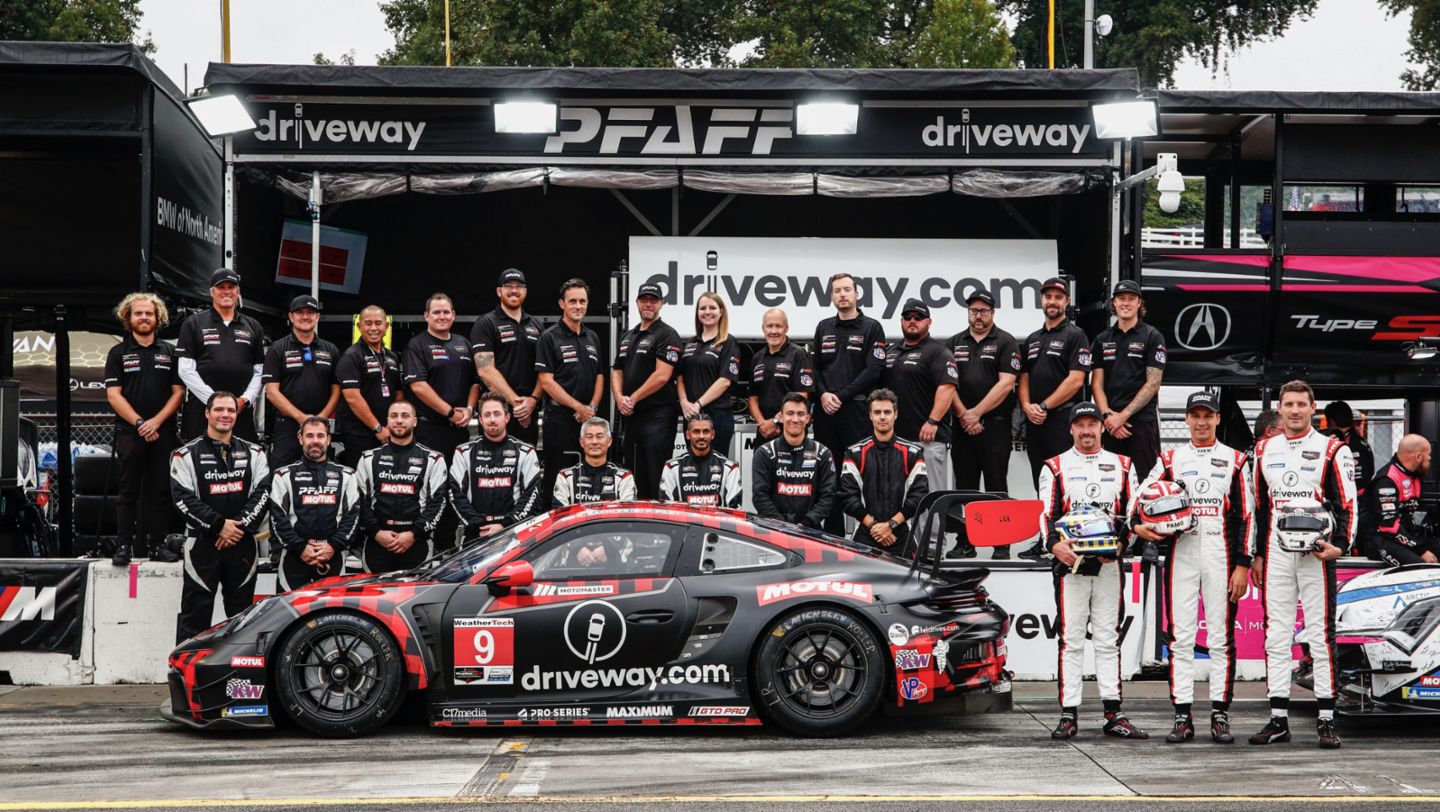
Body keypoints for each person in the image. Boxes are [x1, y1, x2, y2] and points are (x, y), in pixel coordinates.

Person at [1133, 391, 1252, 745]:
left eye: (1208, 415)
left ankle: (1220, 715)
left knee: (1220, 638)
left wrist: (1243, 564)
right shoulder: (1169, 457)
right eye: (1195, 415)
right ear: (1186, 419)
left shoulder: (1235, 459)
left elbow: (1248, 516)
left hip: (1221, 551)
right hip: (1182, 550)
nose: (1202, 421)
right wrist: (1138, 526)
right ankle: (1182, 715)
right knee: (1181, 638)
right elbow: (1139, 498)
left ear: (1218, 419)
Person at [1249, 379, 1356, 749]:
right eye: (1288, 404)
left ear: (1314, 409)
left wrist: (1339, 546)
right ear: (1279, 408)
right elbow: (1258, 508)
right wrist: (1257, 554)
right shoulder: (1263, 450)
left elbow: (1348, 504)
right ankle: (1278, 718)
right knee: (1276, 635)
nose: (1294, 410)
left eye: (1301, 404)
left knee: (1319, 636)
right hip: (1276, 552)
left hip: (1316, 553)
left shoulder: (1332, 449)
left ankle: (1326, 718)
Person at [1038, 401, 1146, 741]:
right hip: (1071, 566)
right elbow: (1046, 515)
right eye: (1080, 425)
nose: (1087, 430)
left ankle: (1114, 713)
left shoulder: (1124, 465)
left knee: (1108, 638)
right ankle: (1068, 714)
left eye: (1093, 424)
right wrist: (1055, 545)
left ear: (1102, 427)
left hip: (1109, 565)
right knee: (1070, 640)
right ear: (1071, 428)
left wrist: (1121, 545)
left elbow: (1133, 515)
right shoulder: (1054, 466)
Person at [170, 391, 271, 643]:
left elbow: (263, 494)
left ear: (237, 415)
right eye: (219, 410)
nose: (225, 415)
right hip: (202, 545)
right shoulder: (184, 455)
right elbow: (183, 499)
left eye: (230, 410)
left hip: (242, 544)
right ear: (207, 413)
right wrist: (219, 526)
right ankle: (186, 679)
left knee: (243, 618)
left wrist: (238, 528)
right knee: (195, 616)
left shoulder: (255, 453)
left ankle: (239, 677)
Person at [104, 292, 184, 566]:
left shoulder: (170, 352)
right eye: (138, 313)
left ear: (158, 317)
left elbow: (178, 393)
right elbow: (114, 396)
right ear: (128, 317)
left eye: (149, 313)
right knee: (128, 491)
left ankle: (158, 545)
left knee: (160, 491)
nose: (144, 317)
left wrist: (156, 422)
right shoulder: (118, 353)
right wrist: (139, 422)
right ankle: (123, 545)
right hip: (130, 432)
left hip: (163, 431)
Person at [1018, 277, 1092, 559]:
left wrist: (1045, 406)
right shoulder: (1033, 339)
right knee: (1043, 485)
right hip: (1035, 422)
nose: (1052, 301)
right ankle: (1045, 540)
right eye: (1047, 297)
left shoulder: (1076, 336)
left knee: (1067, 483)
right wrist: (1027, 406)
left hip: (1061, 420)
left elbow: (1076, 380)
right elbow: (1022, 377)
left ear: (1066, 302)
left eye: (1058, 297)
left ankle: (1072, 540)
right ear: (1042, 301)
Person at [947, 289, 1022, 558]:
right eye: (973, 310)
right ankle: (965, 542)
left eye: (983, 311)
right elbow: (947, 385)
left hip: (995, 425)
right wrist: (965, 415)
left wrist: (976, 413)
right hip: (962, 426)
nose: (978, 316)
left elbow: (1007, 384)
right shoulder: (954, 342)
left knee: (995, 486)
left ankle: (1001, 543)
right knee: (964, 487)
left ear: (992, 313)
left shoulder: (1006, 342)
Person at [813, 273, 888, 534]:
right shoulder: (823, 327)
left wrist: (841, 395)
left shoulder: (871, 327)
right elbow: (816, 369)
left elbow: (874, 370)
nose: (842, 295)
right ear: (831, 297)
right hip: (826, 412)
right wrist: (823, 394)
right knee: (829, 476)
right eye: (837, 291)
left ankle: (868, 535)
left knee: (862, 475)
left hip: (856, 410)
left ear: (857, 294)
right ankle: (833, 536)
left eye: (847, 290)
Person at [267, 416, 360, 591]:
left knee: (333, 614)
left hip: (333, 556)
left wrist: (332, 546)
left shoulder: (347, 475)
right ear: (300, 438)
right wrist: (301, 548)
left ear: (328, 439)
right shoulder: (283, 475)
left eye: (320, 436)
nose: (315, 441)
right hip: (295, 557)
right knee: (290, 614)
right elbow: (277, 518)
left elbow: (352, 516)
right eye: (310, 436)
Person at [354, 400, 447, 573]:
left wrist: (413, 534)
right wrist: (376, 532)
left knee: (415, 599)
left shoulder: (434, 459)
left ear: (415, 421)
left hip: (417, 543)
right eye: (394, 416)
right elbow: (359, 501)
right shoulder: (368, 458)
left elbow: (438, 502)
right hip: (377, 543)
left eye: (405, 416)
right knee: (375, 600)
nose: (399, 420)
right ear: (387, 421)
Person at [536, 279, 605, 508]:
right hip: (559, 419)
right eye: (573, 301)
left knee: (587, 477)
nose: (578, 306)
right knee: (557, 476)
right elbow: (546, 381)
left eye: (582, 301)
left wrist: (591, 408)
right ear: (561, 304)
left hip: (588, 419)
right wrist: (578, 407)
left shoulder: (592, 337)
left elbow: (600, 377)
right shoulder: (549, 337)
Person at [175, 268, 265, 441]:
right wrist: (214, 400)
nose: (226, 291)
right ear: (211, 292)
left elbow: (260, 370)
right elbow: (185, 369)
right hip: (201, 409)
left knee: (242, 462)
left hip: (239, 410)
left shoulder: (253, 325)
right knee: (198, 462)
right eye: (220, 287)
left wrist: (245, 399)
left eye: (231, 287)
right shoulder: (193, 323)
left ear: (238, 291)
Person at [611, 282, 683, 499]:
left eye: (653, 300)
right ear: (637, 303)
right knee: (634, 474)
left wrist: (631, 398)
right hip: (632, 416)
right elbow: (617, 370)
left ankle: (660, 523)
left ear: (661, 303)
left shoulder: (667, 335)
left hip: (658, 417)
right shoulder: (627, 336)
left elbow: (662, 375)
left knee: (656, 475)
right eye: (644, 299)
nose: (648, 304)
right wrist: (619, 398)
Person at [1090, 280, 1166, 481]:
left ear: (1139, 303)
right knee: (1112, 481)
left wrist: (1122, 417)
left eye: (1131, 299)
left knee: (1146, 481)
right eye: (1121, 299)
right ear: (1113, 303)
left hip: (1141, 422)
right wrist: (1108, 416)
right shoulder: (1101, 339)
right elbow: (1096, 383)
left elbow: (1153, 383)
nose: (1126, 303)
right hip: (1110, 424)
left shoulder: (1152, 336)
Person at [881, 298, 957, 491]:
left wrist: (933, 421)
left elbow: (947, 387)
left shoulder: (938, 351)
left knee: (929, 496)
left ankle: (934, 524)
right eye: (907, 317)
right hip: (896, 439)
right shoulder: (891, 351)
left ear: (928, 322)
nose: (912, 321)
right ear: (901, 321)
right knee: (900, 497)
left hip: (928, 439)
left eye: (919, 317)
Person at [839, 389, 928, 552]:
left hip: (902, 535)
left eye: (887, 412)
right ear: (870, 415)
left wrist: (890, 525)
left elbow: (920, 496)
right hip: (865, 535)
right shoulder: (854, 453)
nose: (882, 417)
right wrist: (875, 526)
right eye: (877, 412)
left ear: (896, 414)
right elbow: (848, 497)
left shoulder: (913, 453)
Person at [449, 392, 543, 541]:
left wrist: (506, 525)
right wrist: (478, 526)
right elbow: (455, 494)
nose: (492, 419)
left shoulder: (526, 452)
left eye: (497, 414)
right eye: (487, 415)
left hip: (514, 534)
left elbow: (532, 495)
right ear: (480, 419)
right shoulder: (463, 452)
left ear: (507, 418)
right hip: (476, 534)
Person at [262, 294, 340, 468]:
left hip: (321, 425)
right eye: (300, 312)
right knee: (281, 472)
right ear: (291, 317)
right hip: (288, 425)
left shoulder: (331, 349)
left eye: (310, 312)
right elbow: (272, 392)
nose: (305, 317)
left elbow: (337, 390)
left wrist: (321, 418)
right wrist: (301, 418)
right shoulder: (277, 348)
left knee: (323, 475)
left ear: (317, 317)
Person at [402, 292, 479, 461]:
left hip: (459, 428)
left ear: (453, 315)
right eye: (436, 312)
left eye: (446, 312)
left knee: (458, 481)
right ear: (426, 316)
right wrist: (450, 413)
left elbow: (475, 382)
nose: (442, 316)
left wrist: (469, 409)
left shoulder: (464, 343)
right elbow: (418, 386)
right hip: (429, 429)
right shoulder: (417, 345)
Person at [471, 268, 543, 444]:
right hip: (496, 411)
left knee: (525, 468)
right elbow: (485, 370)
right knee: (491, 468)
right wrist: (517, 405)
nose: (514, 290)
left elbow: (545, 370)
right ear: (499, 291)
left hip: (529, 410)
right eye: (508, 286)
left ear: (525, 291)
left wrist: (533, 400)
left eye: (519, 286)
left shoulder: (536, 325)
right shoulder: (486, 323)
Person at [752, 393, 835, 529]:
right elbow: (759, 496)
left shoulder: (822, 453)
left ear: (808, 418)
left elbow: (828, 497)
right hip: (774, 529)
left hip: (810, 529)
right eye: (790, 413)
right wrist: (782, 525)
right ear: (781, 417)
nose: (795, 419)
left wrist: (806, 524)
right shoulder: (765, 452)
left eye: (801, 414)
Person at [335, 305, 404, 469]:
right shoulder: (351, 356)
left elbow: (399, 393)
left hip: (387, 432)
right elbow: (352, 397)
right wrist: (377, 428)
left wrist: (392, 424)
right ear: (359, 326)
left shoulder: (392, 357)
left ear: (386, 327)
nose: (373, 328)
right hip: (360, 433)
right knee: (361, 478)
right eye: (368, 323)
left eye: (378, 323)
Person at [677, 292, 742, 461]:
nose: (707, 311)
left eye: (712, 308)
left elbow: (725, 381)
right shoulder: (691, 343)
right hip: (691, 415)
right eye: (702, 308)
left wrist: (698, 404)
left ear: (721, 312)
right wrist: (684, 403)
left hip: (718, 415)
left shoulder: (728, 342)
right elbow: (681, 377)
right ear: (697, 313)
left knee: (717, 467)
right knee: (693, 465)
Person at [1360, 434, 1439, 566]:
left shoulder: (1413, 475)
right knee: (1419, 566)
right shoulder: (1387, 480)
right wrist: (1421, 550)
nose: (1430, 459)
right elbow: (1389, 526)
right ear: (1418, 457)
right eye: (1428, 454)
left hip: (1405, 534)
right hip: (1379, 539)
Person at [748, 308, 814, 444]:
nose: (773, 331)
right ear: (763, 328)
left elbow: (801, 396)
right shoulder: (757, 358)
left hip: (791, 429)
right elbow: (753, 398)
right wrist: (763, 424)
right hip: (765, 431)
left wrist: (776, 421)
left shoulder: (798, 354)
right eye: (769, 326)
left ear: (786, 328)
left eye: (778, 326)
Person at [660, 413, 742, 508]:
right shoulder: (672, 468)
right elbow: (667, 510)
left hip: (717, 522)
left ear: (713, 434)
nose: (701, 436)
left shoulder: (729, 468)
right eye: (696, 431)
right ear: (688, 435)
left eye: (706, 431)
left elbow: (734, 511)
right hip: (683, 523)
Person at [553, 418, 638, 506]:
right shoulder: (565, 477)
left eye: (599, 436)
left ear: (609, 441)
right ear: (582, 442)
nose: (594, 442)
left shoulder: (623, 477)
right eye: (589, 437)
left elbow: (627, 513)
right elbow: (559, 515)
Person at [1323, 401, 1375, 499]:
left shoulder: (1333, 442)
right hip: (1364, 497)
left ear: (1331, 421)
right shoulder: (1362, 442)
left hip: (1347, 498)